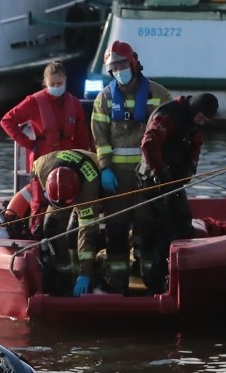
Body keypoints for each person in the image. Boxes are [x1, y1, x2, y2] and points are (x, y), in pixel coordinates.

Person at [90, 40, 171, 293]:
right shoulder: (104, 99)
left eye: (122, 65)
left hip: (148, 177)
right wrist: (104, 169)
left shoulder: (158, 94)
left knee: (148, 228)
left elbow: (170, 133)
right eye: (113, 68)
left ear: (133, 63)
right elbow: (100, 138)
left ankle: (151, 283)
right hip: (117, 179)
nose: (118, 71)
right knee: (116, 231)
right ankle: (118, 285)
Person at [135, 93, 219, 294]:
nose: (202, 123)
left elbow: (196, 144)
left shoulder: (193, 121)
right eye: (202, 118)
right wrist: (162, 173)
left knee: (178, 223)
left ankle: (160, 277)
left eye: (206, 121)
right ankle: (157, 281)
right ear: (196, 109)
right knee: (178, 225)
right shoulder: (169, 115)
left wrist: (190, 167)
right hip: (154, 179)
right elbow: (149, 144)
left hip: (173, 179)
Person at [0, 149, 102, 296]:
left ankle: (82, 274)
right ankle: (62, 276)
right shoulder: (42, 166)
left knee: (76, 231)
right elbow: (37, 196)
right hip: (61, 186)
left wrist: (85, 275)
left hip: (87, 181)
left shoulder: (90, 185)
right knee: (51, 226)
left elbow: (88, 232)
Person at [0, 61, 90, 173]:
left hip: (69, 157)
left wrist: (83, 159)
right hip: (43, 157)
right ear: (45, 82)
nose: (56, 87)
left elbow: (82, 136)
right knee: (40, 188)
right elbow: (7, 121)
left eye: (59, 83)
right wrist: (28, 143)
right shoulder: (33, 102)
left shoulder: (74, 103)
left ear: (65, 80)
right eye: (52, 84)